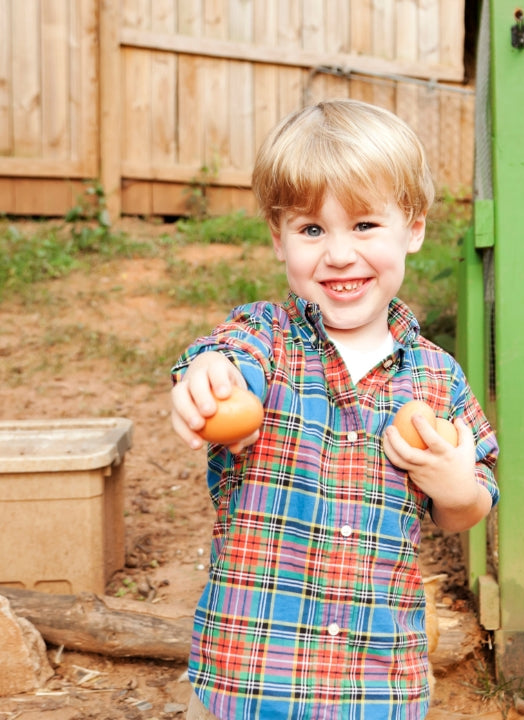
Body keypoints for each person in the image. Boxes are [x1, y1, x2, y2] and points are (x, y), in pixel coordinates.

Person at [169, 98, 499, 720]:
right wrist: (206, 378)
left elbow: (468, 507)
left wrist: (454, 483)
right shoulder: (265, 340)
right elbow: (221, 360)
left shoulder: (438, 378)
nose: (340, 254)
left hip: (373, 687)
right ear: (279, 238)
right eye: (312, 229)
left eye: (365, 225)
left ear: (415, 228)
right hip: (250, 681)